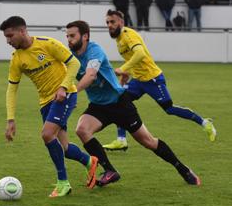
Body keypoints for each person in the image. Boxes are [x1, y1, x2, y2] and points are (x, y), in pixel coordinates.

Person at [66, 18, 201, 187]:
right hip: (98, 106)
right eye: (67, 36)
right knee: (82, 129)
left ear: (85, 36)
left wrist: (73, 92)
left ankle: (183, 169)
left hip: (119, 103)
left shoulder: (94, 51)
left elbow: (91, 74)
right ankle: (110, 170)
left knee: (148, 141)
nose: (69, 40)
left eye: (72, 36)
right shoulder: (71, 57)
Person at [0, 16, 99, 198]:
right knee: (65, 148)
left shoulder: (47, 44)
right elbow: (11, 89)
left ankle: (63, 183)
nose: (8, 41)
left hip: (65, 95)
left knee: (46, 134)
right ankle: (89, 161)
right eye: (6, 37)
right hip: (45, 102)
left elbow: (74, 63)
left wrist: (63, 87)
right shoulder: (16, 59)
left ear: (22, 31)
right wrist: (11, 119)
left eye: (10, 36)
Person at [102, 10, 217, 151]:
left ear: (121, 22)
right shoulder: (119, 40)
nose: (109, 25)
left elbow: (140, 53)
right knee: (120, 101)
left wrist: (123, 68)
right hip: (138, 81)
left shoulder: (128, 35)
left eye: (112, 22)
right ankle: (121, 140)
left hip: (153, 79)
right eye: (107, 22)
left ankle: (205, 123)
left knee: (169, 108)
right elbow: (134, 60)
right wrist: (125, 74)